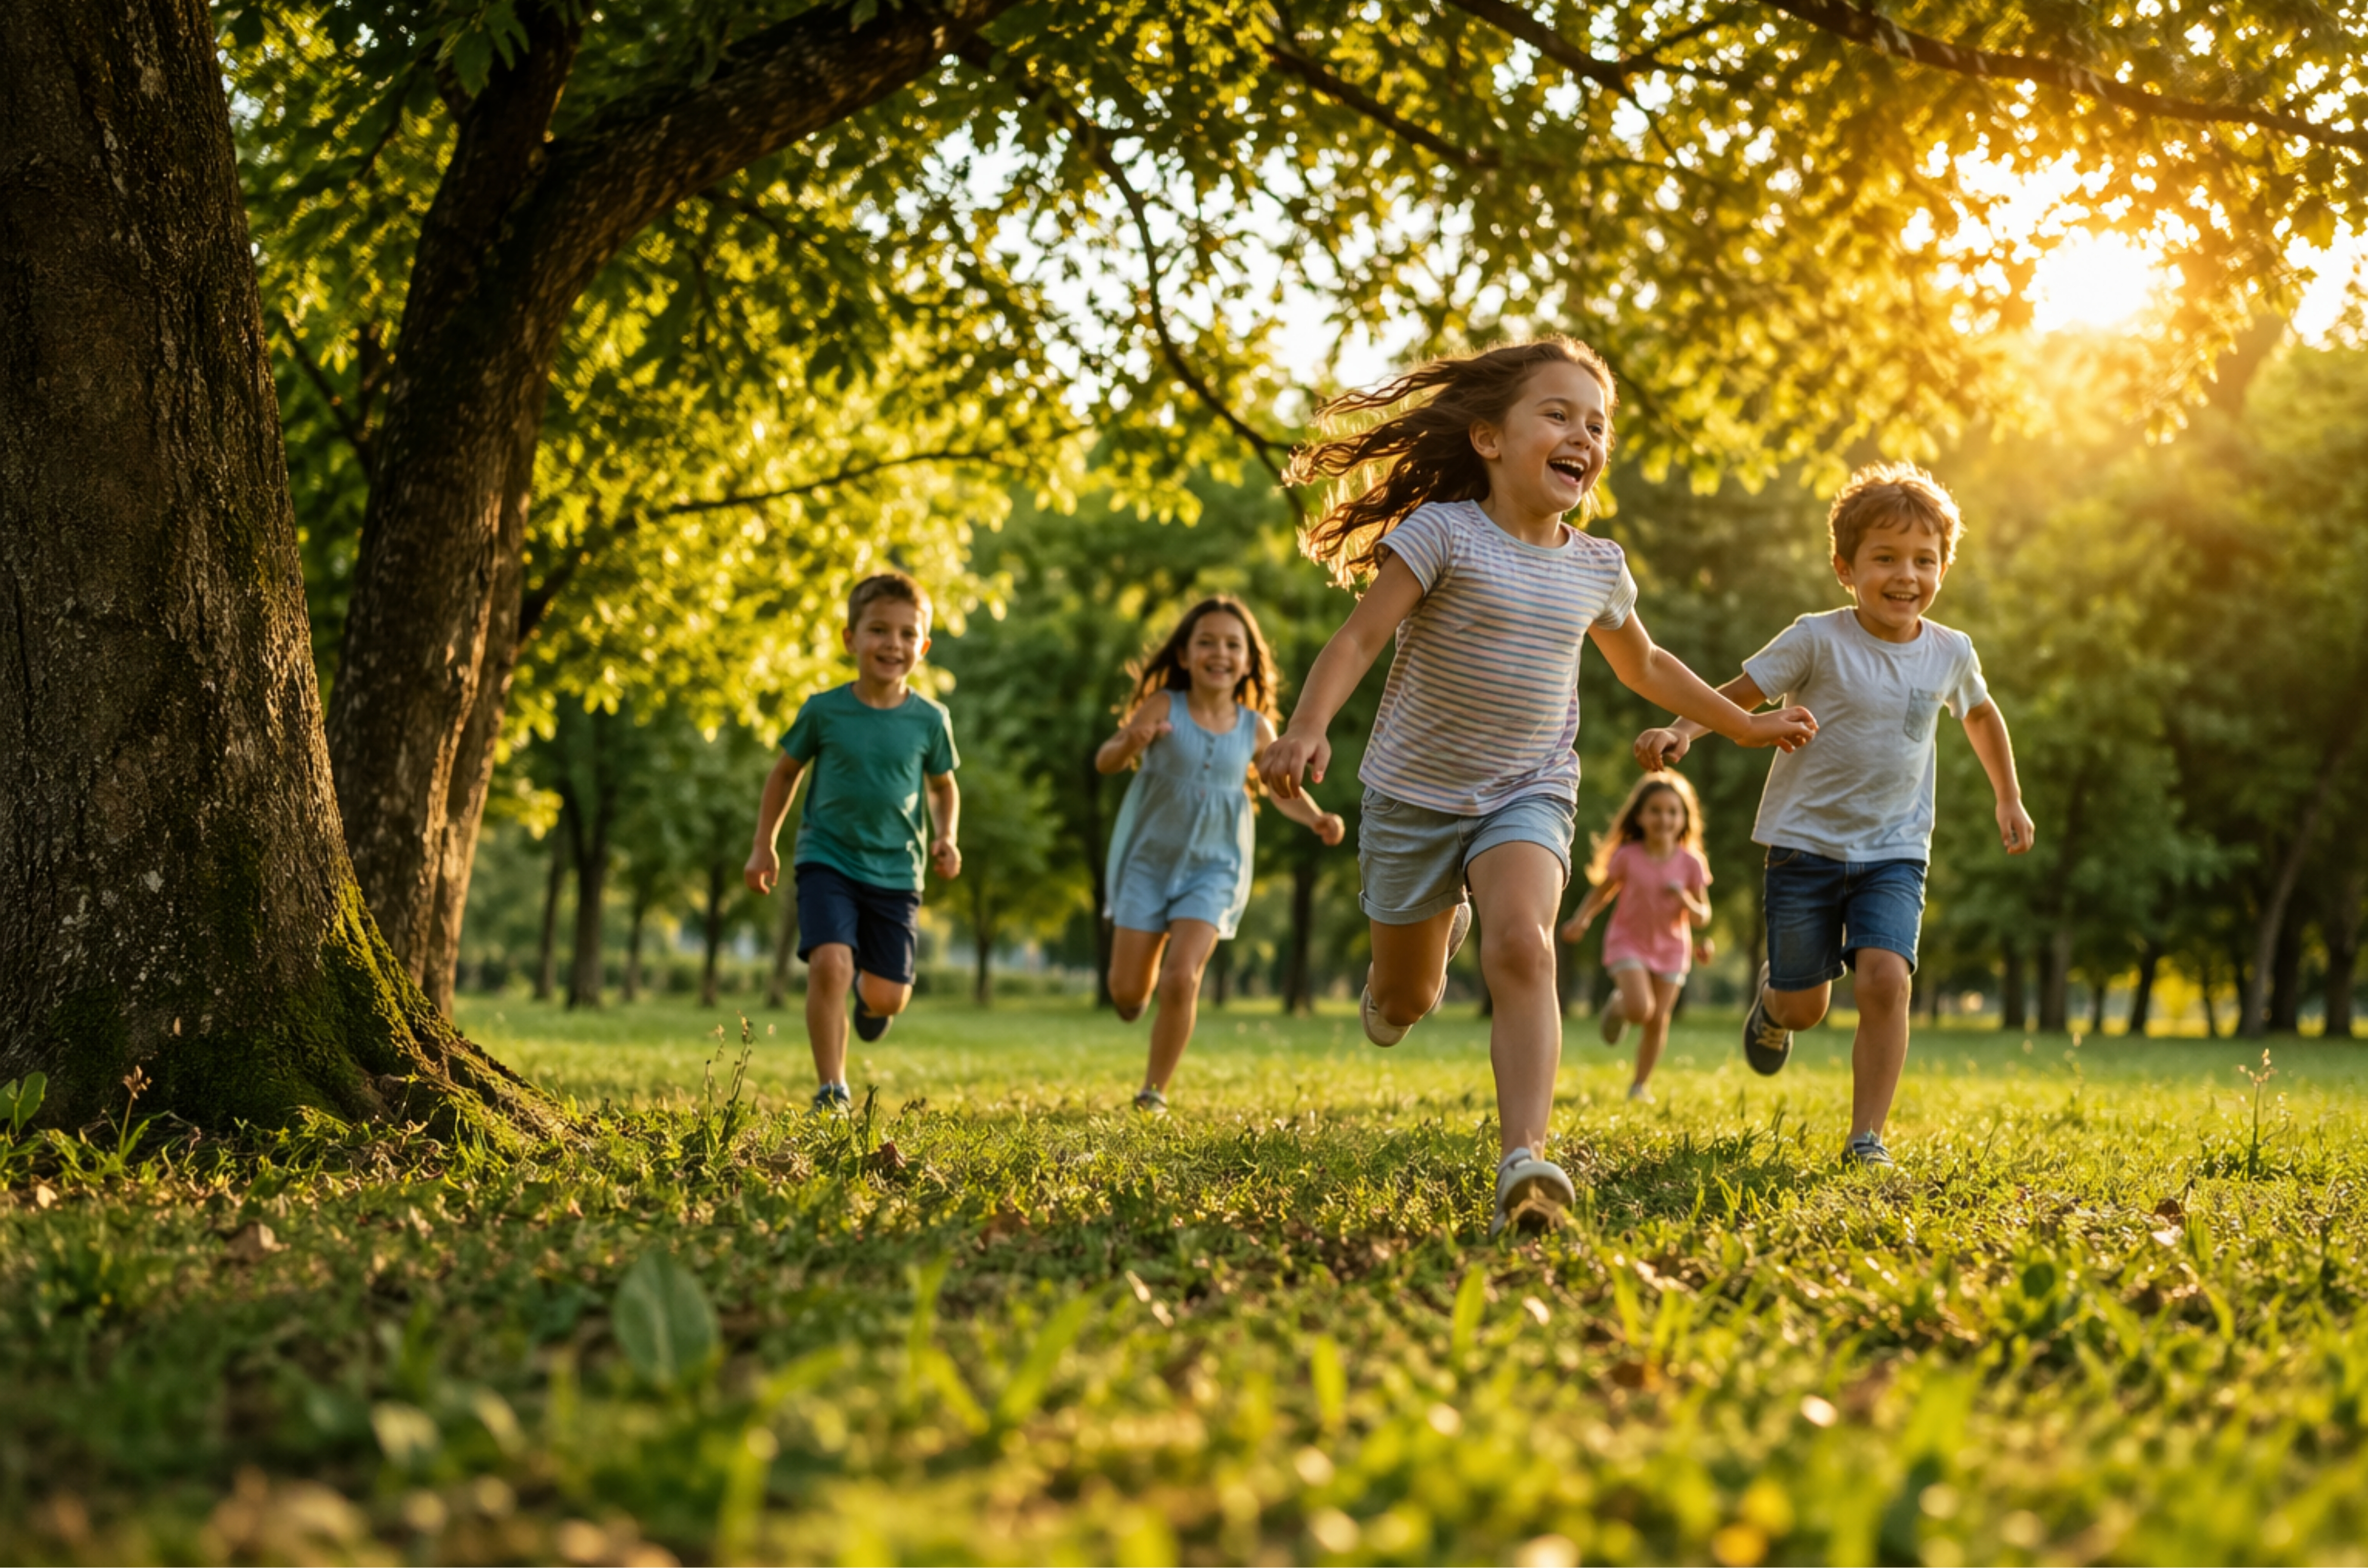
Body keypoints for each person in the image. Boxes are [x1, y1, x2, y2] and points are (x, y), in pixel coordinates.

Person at [1260, 337, 1818, 1237]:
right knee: (1404, 1002)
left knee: (1525, 944)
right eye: (1557, 415)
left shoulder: (1598, 566)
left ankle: (1523, 1156)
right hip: (1413, 794)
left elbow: (1646, 664)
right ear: (1488, 437)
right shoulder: (1443, 532)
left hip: (1531, 789)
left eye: (1596, 425)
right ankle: (1406, 973)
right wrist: (1308, 724)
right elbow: (1359, 639)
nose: (1582, 436)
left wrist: (1742, 721)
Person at [1634, 462, 2035, 1168]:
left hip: (1894, 849)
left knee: (1886, 976)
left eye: (1924, 559)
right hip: (1803, 845)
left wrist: (2008, 794)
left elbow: (1978, 712)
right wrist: (1683, 732)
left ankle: (1866, 1136)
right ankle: (1772, 1006)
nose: (1906, 574)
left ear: (1944, 565)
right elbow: (1742, 693)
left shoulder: (1951, 650)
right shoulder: (1816, 637)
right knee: (1806, 1007)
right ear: (1845, 567)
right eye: (1884, 558)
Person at [1099, 596, 1345, 1113]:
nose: (1220, 653)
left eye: (1233, 645)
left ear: (1249, 662)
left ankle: (1153, 1092)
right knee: (1126, 994)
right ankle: (1133, 997)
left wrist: (1316, 817)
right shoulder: (1164, 705)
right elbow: (1105, 760)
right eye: (1206, 642)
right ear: (1184, 656)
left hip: (1214, 868)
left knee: (1181, 976)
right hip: (1148, 861)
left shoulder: (1254, 727)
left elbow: (1281, 788)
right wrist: (1131, 742)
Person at [745, 572, 961, 1113]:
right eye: (878, 630)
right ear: (850, 638)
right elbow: (783, 774)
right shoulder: (823, 710)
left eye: (908, 634)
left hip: (896, 870)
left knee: (888, 996)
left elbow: (942, 788)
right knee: (829, 965)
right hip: (828, 858)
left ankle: (871, 1003)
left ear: (924, 646)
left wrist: (947, 837)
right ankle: (831, 1087)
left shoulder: (930, 720)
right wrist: (763, 844)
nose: (893, 644)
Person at [1560, 771, 1714, 1102]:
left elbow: (1702, 916)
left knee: (1657, 1018)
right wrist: (1580, 919)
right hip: (1627, 941)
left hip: (1672, 948)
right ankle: (1619, 1005)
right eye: (1655, 810)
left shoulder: (1691, 863)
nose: (1664, 818)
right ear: (1640, 816)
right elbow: (1602, 892)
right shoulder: (1627, 856)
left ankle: (1639, 1086)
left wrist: (1684, 899)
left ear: (1684, 818)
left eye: (1673, 811)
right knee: (1639, 1008)